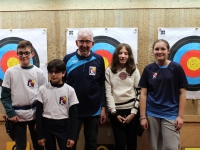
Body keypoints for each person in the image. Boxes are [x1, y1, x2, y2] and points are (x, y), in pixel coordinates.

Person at [139, 39, 188, 150]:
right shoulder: (148, 69)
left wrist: (180, 116)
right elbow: (143, 94)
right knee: (155, 147)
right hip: (152, 114)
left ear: (168, 51)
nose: (159, 51)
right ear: (153, 51)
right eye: (156, 49)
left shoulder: (176, 68)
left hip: (171, 114)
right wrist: (142, 117)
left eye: (163, 49)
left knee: (171, 147)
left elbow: (182, 93)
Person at [63, 28, 106, 150]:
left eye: (87, 42)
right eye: (81, 41)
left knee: (91, 143)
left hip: (93, 110)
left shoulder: (98, 59)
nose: (84, 45)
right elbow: (62, 85)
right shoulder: (67, 59)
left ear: (92, 43)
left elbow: (102, 84)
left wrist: (103, 108)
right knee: (71, 143)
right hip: (73, 110)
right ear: (77, 43)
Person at [1, 40, 47, 150]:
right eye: (20, 53)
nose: (23, 55)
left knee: (39, 145)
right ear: (17, 54)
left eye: (26, 53)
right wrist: (10, 112)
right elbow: (5, 96)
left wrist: (40, 119)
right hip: (16, 116)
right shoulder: (10, 72)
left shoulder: (39, 73)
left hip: (35, 114)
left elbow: (44, 97)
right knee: (20, 147)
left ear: (32, 54)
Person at [36, 59, 79, 150]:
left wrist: (72, 136)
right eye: (51, 72)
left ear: (63, 73)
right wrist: (40, 135)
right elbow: (38, 114)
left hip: (63, 126)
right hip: (47, 126)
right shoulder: (42, 89)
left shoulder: (69, 90)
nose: (53, 75)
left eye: (57, 72)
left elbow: (74, 116)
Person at [105, 43, 141, 150]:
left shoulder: (134, 70)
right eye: (120, 53)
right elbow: (108, 93)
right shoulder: (109, 71)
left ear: (129, 55)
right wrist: (114, 113)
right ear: (116, 55)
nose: (123, 56)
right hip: (116, 113)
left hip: (132, 112)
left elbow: (139, 92)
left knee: (132, 144)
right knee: (120, 144)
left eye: (126, 53)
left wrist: (133, 113)